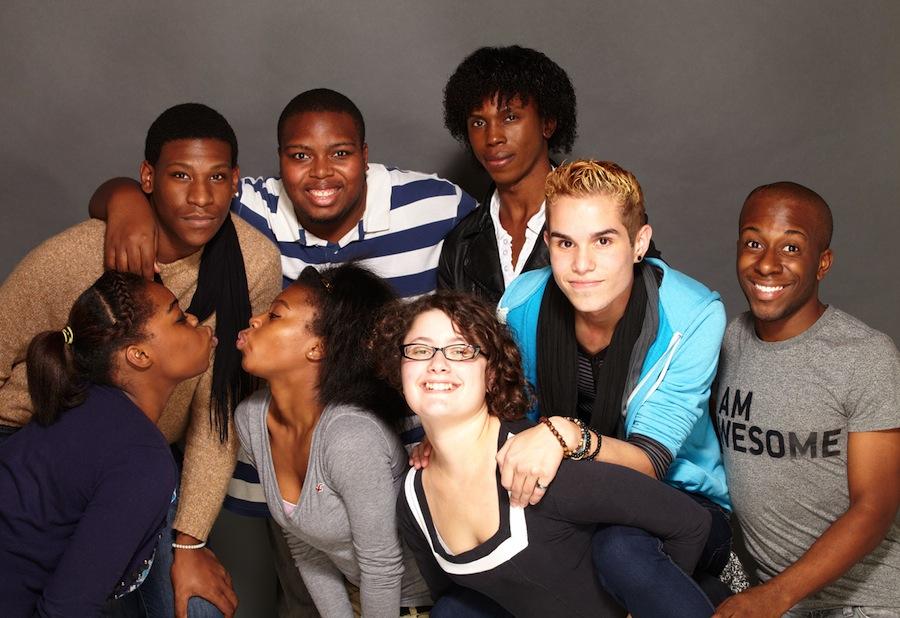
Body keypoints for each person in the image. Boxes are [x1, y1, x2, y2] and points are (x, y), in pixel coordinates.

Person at [90, 88, 476, 616]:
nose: (320, 173)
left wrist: (458, 439)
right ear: (277, 162)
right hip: (264, 479)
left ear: (366, 154)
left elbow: (489, 321)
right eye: (299, 156)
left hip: (399, 473)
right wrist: (124, 199)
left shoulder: (437, 206)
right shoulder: (243, 203)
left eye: (340, 153)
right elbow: (175, 186)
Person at [0, 103, 282, 617]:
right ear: (148, 178)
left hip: (137, 459)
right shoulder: (77, 255)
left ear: (236, 181)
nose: (201, 197)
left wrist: (190, 541)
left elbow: (216, 410)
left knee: (194, 610)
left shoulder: (253, 262)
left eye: (217, 177)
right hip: (27, 442)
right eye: (180, 176)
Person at [371, 291, 713, 617]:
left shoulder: (541, 466)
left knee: (622, 547)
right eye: (420, 350)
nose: (437, 365)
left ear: (491, 374)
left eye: (461, 351)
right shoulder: (413, 499)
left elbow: (691, 523)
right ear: (400, 368)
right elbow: (453, 599)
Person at [494, 159, 731, 616]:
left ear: (639, 242)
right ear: (548, 243)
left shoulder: (694, 315)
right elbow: (507, 409)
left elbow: (651, 460)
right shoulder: (520, 304)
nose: (582, 265)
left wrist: (566, 433)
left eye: (603, 240)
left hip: (684, 503)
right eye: (565, 243)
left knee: (619, 550)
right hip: (568, 495)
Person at [712, 182, 900, 618]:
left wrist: (775, 597)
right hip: (773, 596)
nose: (767, 264)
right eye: (754, 243)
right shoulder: (729, 341)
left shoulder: (866, 357)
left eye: (791, 248)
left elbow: (875, 505)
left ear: (823, 263)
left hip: (864, 602)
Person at [0, 271, 214, 616]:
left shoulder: (84, 406)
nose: (193, 319)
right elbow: (66, 611)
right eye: (178, 318)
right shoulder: (140, 459)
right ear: (139, 355)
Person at [234, 264, 432, 617]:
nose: (256, 319)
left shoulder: (350, 438)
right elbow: (302, 541)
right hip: (363, 594)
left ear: (318, 348)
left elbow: (383, 570)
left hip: (418, 601)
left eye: (275, 315)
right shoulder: (251, 419)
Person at [437, 45, 576, 305]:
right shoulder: (459, 246)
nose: (492, 137)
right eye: (478, 122)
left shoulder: (602, 218)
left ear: (547, 123)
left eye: (510, 117)